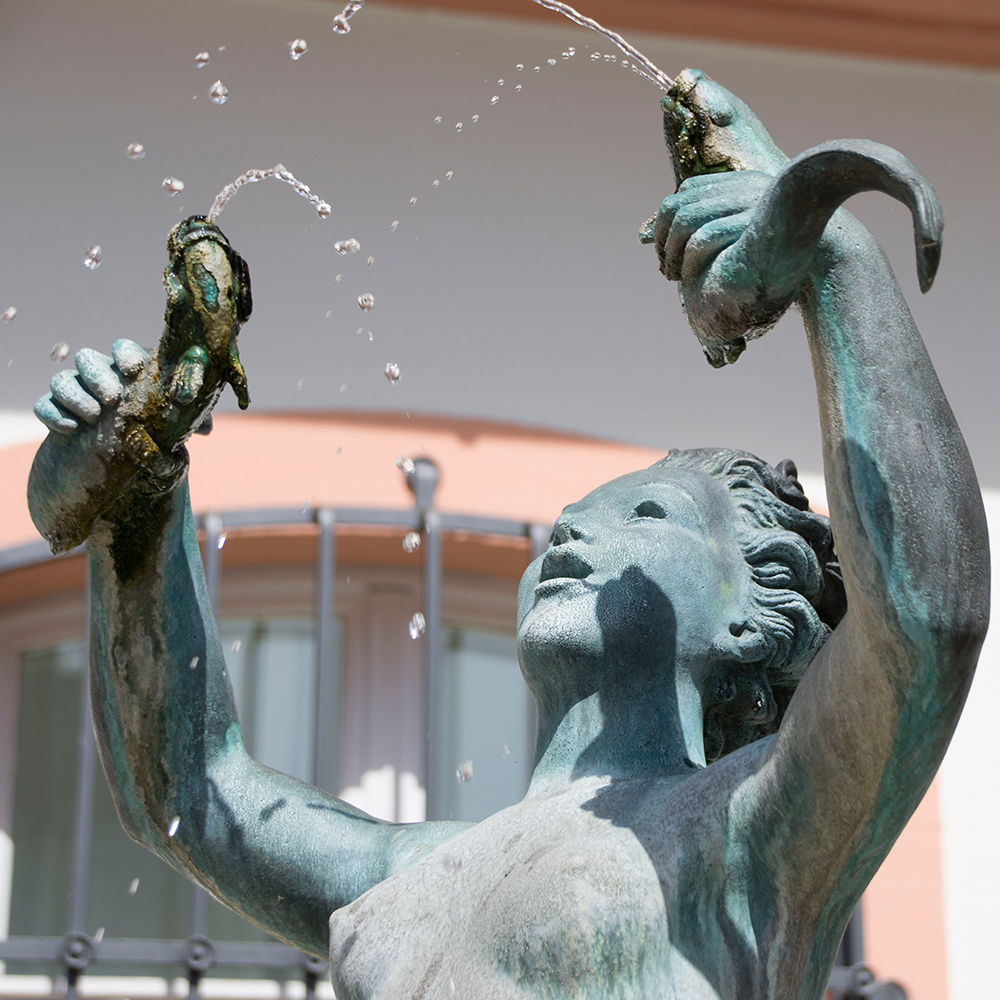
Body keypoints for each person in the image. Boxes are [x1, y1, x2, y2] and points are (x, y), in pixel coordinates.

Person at [28, 71, 989, 1000]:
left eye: (648, 518)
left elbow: (926, 624)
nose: (575, 536)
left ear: (752, 622)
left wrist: (830, 255)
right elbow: (190, 796)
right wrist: (139, 488)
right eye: (573, 521)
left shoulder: (753, 825)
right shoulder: (402, 865)